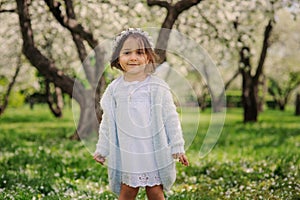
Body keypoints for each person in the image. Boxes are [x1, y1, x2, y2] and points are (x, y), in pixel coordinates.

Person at [93, 28, 189, 200]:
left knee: (155, 192)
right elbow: (107, 123)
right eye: (127, 53)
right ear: (118, 57)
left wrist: (177, 146)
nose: (133, 57)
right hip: (128, 152)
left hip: (152, 151)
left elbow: (170, 117)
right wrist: (102, 149)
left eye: (139, 52)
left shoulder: (156, 87)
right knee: (127, 191)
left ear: (148, 57)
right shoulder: (114, 90)